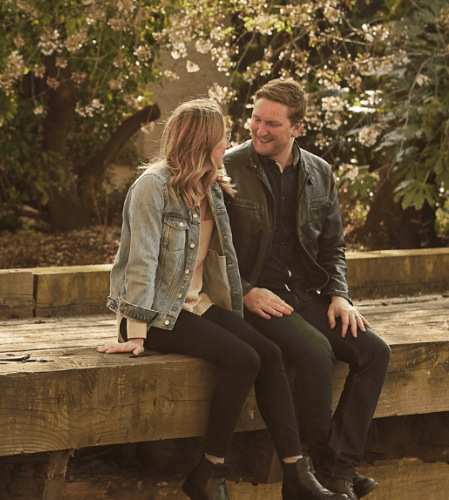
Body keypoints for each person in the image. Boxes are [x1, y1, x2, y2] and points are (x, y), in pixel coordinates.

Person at [100, 98, 346, 500]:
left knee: (269, 353)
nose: (228, 144)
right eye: (221, 138)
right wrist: (136, 332)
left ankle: (295, 473)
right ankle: (210, 470)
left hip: (198, 305)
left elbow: (222, 260)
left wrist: (241, 301)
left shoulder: (212, 185)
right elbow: (138, 261)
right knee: (244, 359)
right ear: (202, 141)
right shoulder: (152, 187)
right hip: (159, 313)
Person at [222, 78, 392, 499]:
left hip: (308, 294)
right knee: (315, 352)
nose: (259, 130)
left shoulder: (319, 172)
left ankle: (339, 468)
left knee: (374, 351)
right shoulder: (227, 167)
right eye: (256, 119)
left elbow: (333, 245)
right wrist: (243, 291)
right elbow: (211, 250)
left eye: (272, 124)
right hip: (255, 299)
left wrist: (340, 295)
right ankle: (333, 472)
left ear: (297, 127)